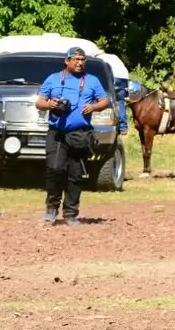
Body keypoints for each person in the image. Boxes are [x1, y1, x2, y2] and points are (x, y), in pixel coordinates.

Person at [35, 46, 110, 226]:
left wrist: (94, 107)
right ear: (67, 61)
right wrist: (50, 104)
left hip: (80, 134)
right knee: (54, 169)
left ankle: (71, 213)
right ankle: (51, 207)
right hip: (57, 133)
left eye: (83, 60)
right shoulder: (53, 79)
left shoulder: (91, 80)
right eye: (75, 59)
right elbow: (39, 102)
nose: (79, 63)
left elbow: (105, 100)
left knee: (75, 175)